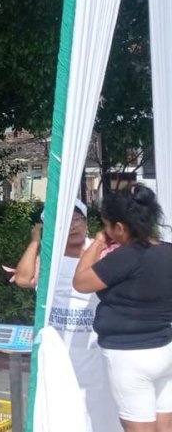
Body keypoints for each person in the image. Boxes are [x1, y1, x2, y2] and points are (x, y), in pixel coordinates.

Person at [13, 200, 120, 432]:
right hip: (59, 351)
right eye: (65, 222)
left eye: (77, 219)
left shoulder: (101, 251)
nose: (73, 226)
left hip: (96, 348)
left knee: (99, 408)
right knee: (62, 410)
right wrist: (36, 242)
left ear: (86, 223)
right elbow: (23, 279)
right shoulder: (49, 258)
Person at [73, 185, 172, 432]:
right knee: (165, 425)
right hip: (164, 347)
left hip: (129, 355)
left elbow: (81, 282)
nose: (105, 231)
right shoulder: (168, 251)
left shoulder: (127, 256)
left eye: (107, 225)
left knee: (139, 428)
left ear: (120, 227)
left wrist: (96, 243)